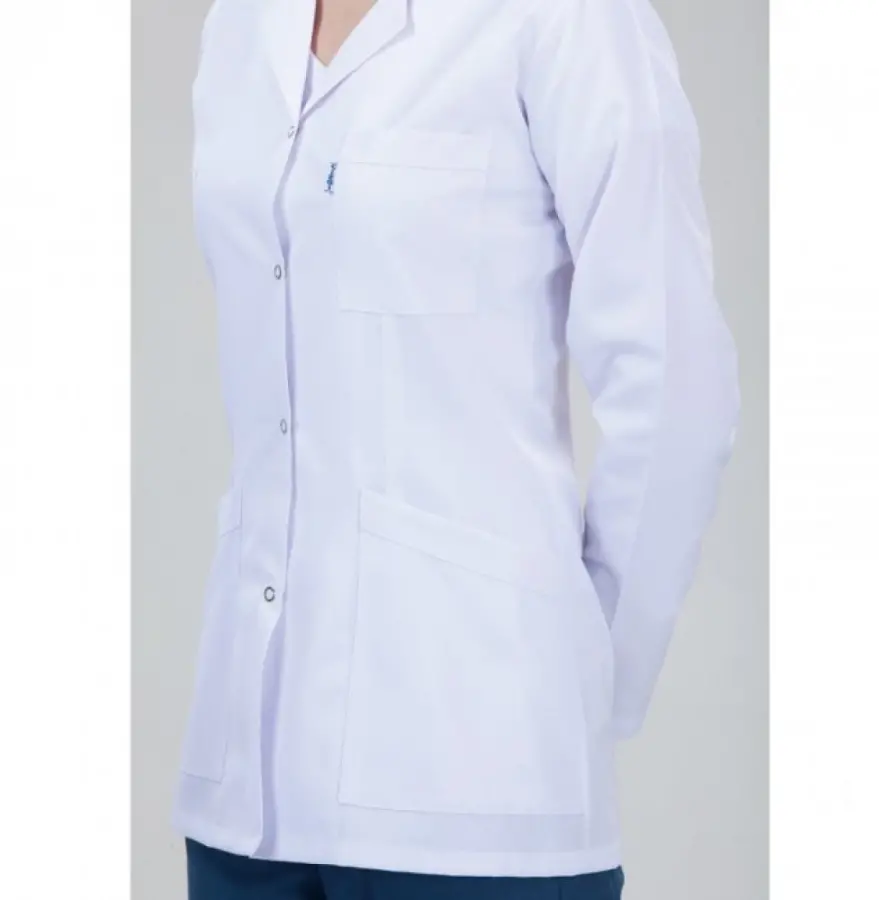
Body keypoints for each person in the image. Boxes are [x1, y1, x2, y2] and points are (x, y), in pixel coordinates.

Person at [173, 0, 741, 897]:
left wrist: (585, 677)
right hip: (246, 792)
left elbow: (676, 382)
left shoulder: (567, 19)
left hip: (475, 792)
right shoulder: (241, 23)